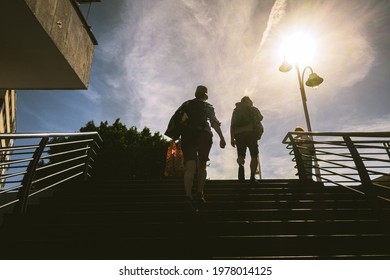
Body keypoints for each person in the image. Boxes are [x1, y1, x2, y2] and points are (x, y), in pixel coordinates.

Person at [180, 85, 226, 212]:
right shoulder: (208, 106)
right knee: (202, 165)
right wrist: (222, 137)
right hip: (204, 135)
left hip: (188, 135)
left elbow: (179, 121)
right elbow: (214, 122)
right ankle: (200, 194)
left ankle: (188, 196)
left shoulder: (187, 104)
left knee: (190, 166)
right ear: (205, 95)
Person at [230, 96, 263, 184]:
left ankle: (241, 169)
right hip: (251, 133)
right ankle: (252, 177)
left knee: (241, 155)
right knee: (254, 155)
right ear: (249, 101)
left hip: (239, 135)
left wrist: (232, 139)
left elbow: (232, 125)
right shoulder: (253, 109)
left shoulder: (236, 110)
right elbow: (260, 118)